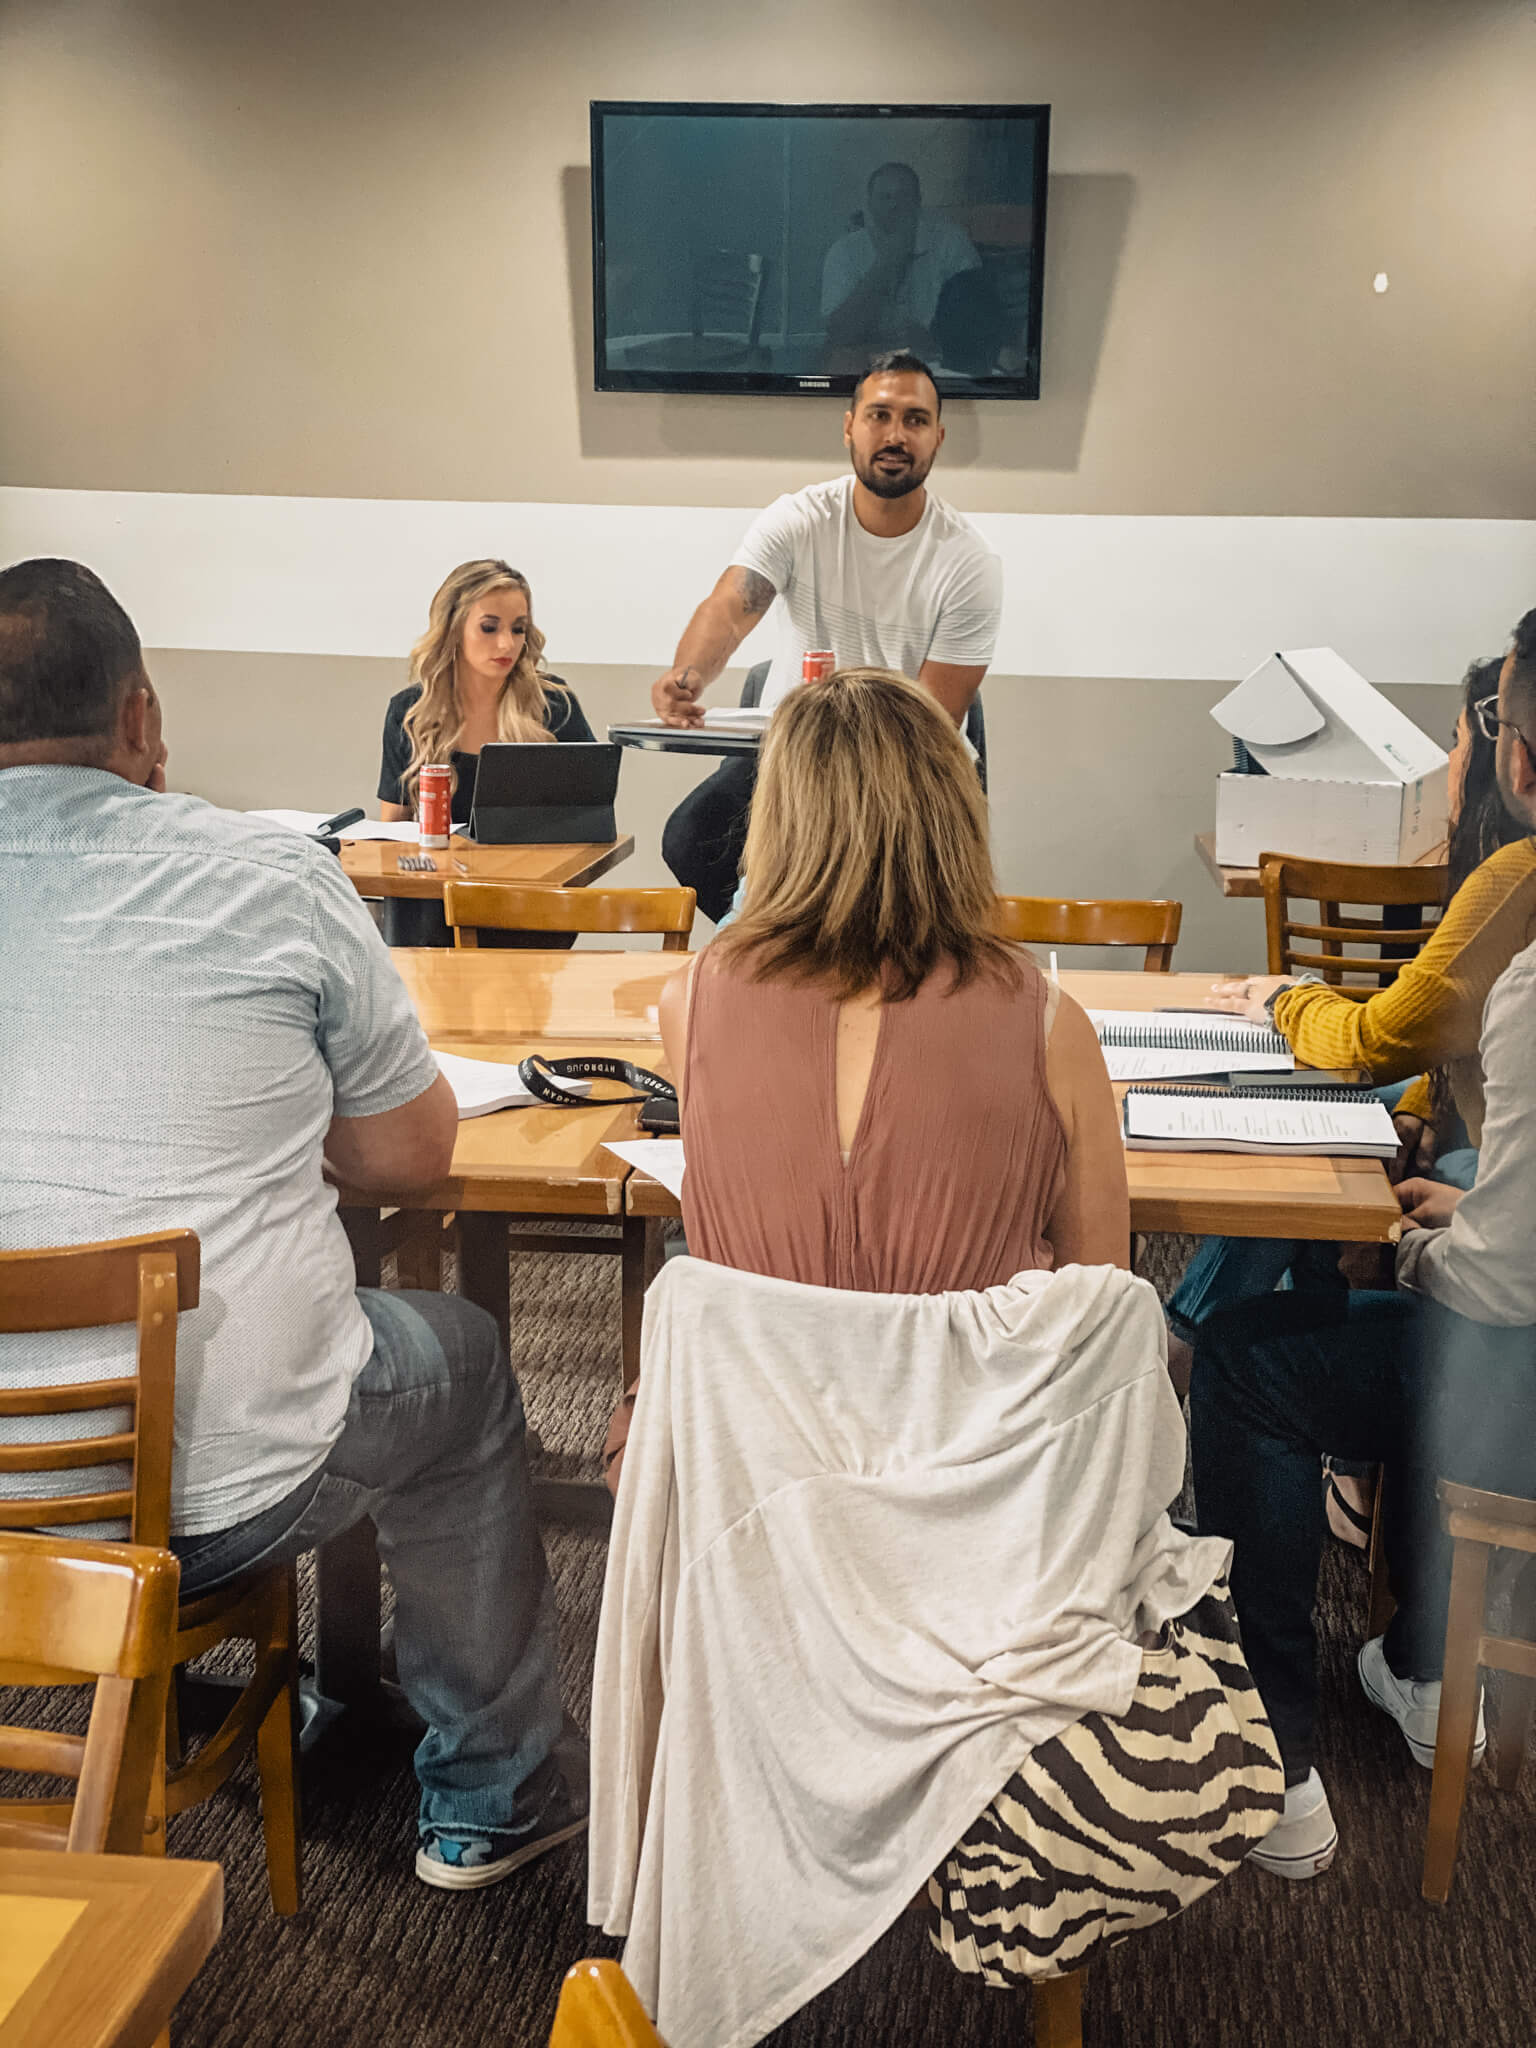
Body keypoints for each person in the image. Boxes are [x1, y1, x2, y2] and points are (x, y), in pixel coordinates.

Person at [602, 669, 1283, 1998]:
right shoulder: (1050, 1025)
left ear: (779, 820)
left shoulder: (692, 1010)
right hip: (985, 1557)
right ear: (958, 814)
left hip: (758, 1537)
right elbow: (1103, 1327)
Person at [0, 558, 585, 1890]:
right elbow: (412, 1152)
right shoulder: (264, 875)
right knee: (465, 1362)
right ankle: (491, 1788)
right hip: (224, 1489)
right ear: (142, 718)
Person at [1190, 609, 1536, 1881]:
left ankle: (1273, 1754)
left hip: (1521, 1355)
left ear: (1510, 756)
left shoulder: (1521, 896)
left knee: (1254, 1356)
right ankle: (1427, 1660)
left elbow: (1504, 1282)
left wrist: (1415, 1247)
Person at [1165, 647, 1536, 1417]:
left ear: (1516, 758)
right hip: (1473, 1140)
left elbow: (1376, 1039)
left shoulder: (1513, 879)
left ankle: (1194, 1344)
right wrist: (1412, 1112)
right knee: (1343, 1119)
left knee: (1318, 1113)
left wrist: (1285, 999)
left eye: (1466, 737)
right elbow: (1445, 1040)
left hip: (1500, 1275)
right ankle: (1203, 1342)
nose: (1451, 759)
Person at [654, 353, 1002, 921]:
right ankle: (770, 948)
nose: (895, 435)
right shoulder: (799, 518)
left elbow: (934, 716)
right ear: (849, 426)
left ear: (938, 438)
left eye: (914, 420)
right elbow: (732, 606)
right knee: (691, 839)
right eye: (879, 416)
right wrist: (687, 675)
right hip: (795, 755)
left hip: (904, 766)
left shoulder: (968, 562)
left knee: (870, 895)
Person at [378, 559, 594, 944]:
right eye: (489, 628)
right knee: (420, 908)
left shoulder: (552, 706)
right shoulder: (411, 712)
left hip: (527, 895)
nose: (506, 644)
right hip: (436, 898)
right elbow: (394, 830)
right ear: (453, 628)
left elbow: (590, 817)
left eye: (518, 629)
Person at [820, 163, 981, 359]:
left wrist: (933, 339)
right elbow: (839, 333)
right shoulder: (845, 251)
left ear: (918, 201)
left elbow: (977, 325)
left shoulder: (951, 243)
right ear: (869, 203)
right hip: (865, 369)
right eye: (885, 197)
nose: (894, 205)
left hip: (937, 366)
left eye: (903, 196)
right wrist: (887, 263)